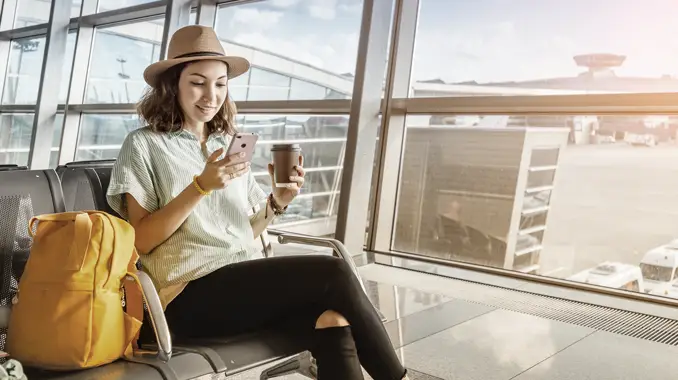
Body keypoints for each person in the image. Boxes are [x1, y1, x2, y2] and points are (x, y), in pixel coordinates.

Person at [106, 25, 408, 380]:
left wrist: (276, 203)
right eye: (198, 82)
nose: (211, 94)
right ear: (173, 84)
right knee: (334, 271)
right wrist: (199, 188)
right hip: (185, 296)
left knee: (332, 321)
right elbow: (140, 240)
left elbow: (241, 233)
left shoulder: (226, 141)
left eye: (221, 84)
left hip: (238, 283)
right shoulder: (143, 145)